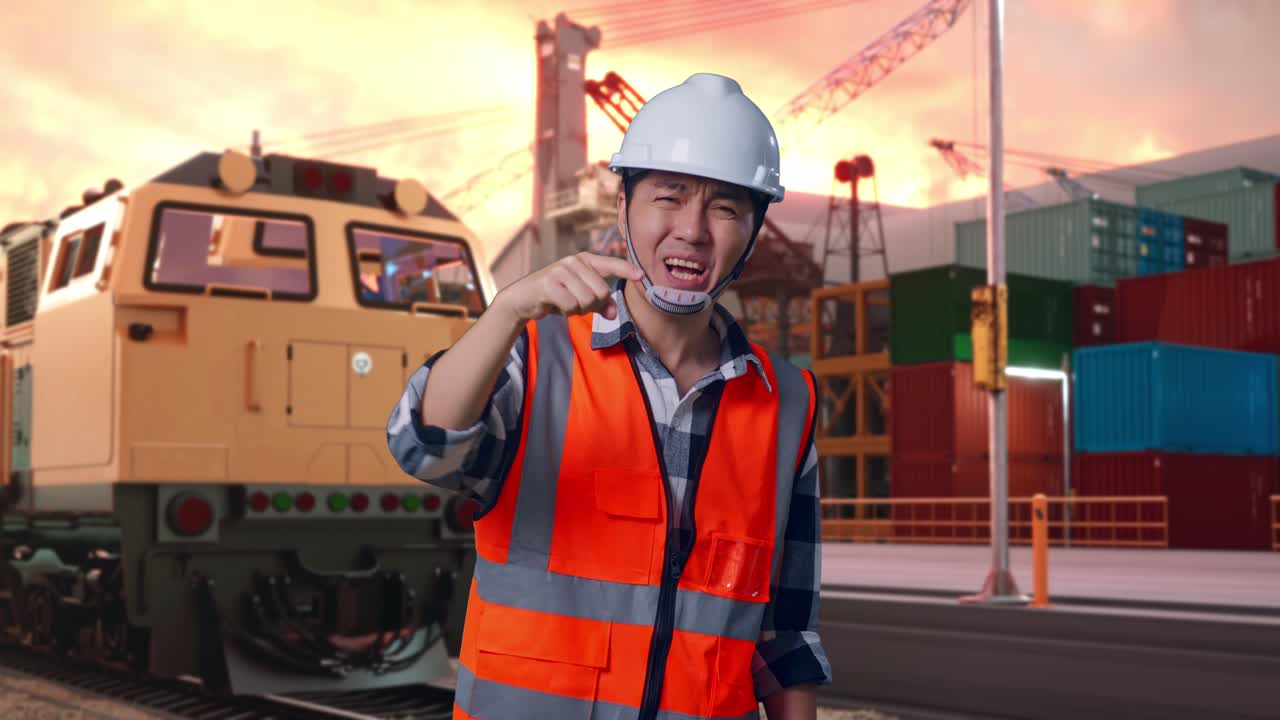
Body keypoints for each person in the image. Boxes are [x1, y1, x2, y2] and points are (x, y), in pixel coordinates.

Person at [387, 72, 831, 720]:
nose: (693, 230)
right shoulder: (535, 362)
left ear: (752, 232)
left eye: (726, 208)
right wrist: (507, 310)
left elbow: (787, 635)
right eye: (668, 198)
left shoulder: (787, 403)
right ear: (623, 209)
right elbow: (421, 448)